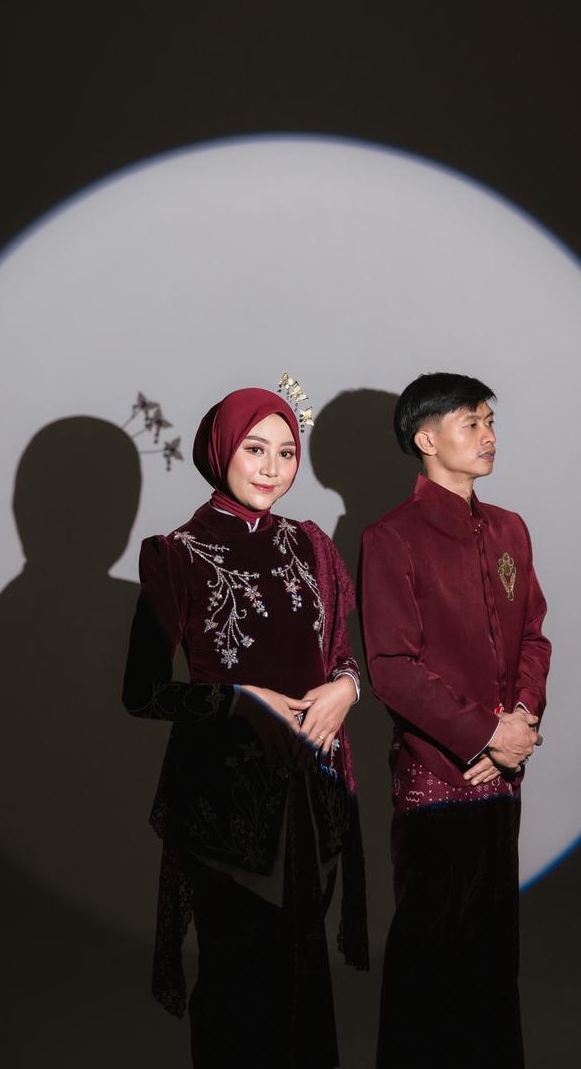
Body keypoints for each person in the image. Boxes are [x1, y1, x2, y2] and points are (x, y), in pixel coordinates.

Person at [123, 387, 368, 1069]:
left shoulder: (311, 545)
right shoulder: (177, 554)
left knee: (303, 986)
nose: (271, 468)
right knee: (238, 992)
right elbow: (141, 694)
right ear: (221, 450)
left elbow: (342, 654)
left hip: (311, 801)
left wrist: (348, 687)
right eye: (255, 449)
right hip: (226, 808)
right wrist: (237, 701)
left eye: (287, 453)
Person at [359, 372, 551, 1068]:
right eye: (472, 422)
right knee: (429, 964)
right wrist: (485, 734)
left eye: (490, 421)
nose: (489, 435)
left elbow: (532, 635)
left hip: (502, 779)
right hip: (437, 781)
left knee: (494, 962)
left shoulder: (508, 529)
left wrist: (521, 720)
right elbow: (392, 668)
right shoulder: (392, 538)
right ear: (426, 438)